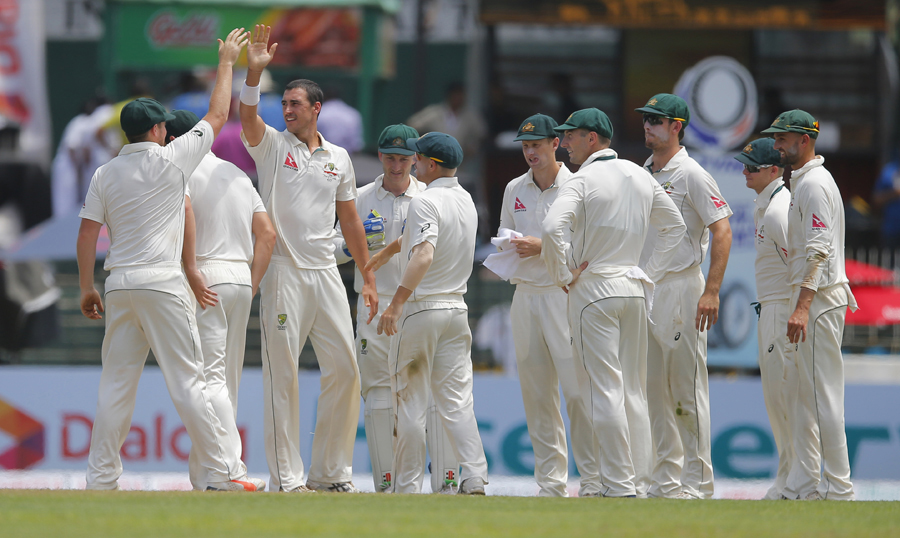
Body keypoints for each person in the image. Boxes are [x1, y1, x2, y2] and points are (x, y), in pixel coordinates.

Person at [76, 29, 265, 492]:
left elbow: (87, 234)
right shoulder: (172, 160)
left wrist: (86, 286)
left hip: (119, 284)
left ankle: (101, 481)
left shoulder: (105, 172)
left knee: (116, 387)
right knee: (190, 383)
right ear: (160, 131)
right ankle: (224, 473)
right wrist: (226, 62)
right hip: (162, 283)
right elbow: (219, 115)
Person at [239, 25, 377, 493]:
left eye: (296, 104)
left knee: (346, 370)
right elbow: (247, 118)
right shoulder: (274, 146)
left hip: (327, 274)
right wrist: (254, 73)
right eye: (285, 104)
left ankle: (330, 474)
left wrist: (369, 275)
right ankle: (288, 478)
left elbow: (352, 222)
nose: (288, 110)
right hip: (283, 273)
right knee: (284, 376)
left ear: (316, 109)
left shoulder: (338, 156)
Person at [542, 109, 685, 498]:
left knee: (603, 389)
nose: (566, 143)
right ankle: (638, 482)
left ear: (593, 139)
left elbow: (552, 228)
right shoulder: (640, 174)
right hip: (632, 288)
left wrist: (563, 275)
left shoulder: (582, 179)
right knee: (633, 391)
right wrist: (646, 271)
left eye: (571, 136)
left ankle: (620, 484)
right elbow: (676, 227)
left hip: (594, 289)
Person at [332, 123, 460, 494]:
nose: (396, 165)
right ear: (380, 157)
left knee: (432, 397)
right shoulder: (358, 198)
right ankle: (387, 488)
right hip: (374, 305)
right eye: (390, 157)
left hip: (418, 305)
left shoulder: (431, 198)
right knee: (379, 397)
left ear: (415, 160)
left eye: (404, 159)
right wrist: (358, 248)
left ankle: (446, 485)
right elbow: (334, 247)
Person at [369, 132, 489, 495]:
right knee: (457, 401)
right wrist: (389, 252)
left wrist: (397, 302)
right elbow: (428, 238)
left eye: (418, 159)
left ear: (432, 164)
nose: (414, 163)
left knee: (410, 401)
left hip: (422, 309)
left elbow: (425, 253)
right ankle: (474, 477)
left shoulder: (424, 201)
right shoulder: (465, 199)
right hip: (456, 308)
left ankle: (406, 488)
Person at [164, 110, 276, 490]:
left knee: (208, 379)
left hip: (204, 276)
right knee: (224, 381)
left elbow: (183, 214)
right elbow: (268, 235)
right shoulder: (239, 174)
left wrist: (192, 269)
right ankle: (208, 477)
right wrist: (252, 281)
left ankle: (232, 470)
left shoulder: (178, 171)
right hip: (240, 278)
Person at [497, 113, 601, 497]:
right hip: (526, 294)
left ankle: (592, 481)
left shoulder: (577, 186)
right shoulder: (514, 189)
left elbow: (588, 247)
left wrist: (544, 247)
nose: (530, 153)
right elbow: (507, 236)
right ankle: (551, 485)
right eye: (525, 146)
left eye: (537, 145)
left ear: (555, 144)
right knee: (537, 394)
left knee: (577, 392)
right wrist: (513, 246)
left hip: (564, 294)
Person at [635, 93, 733, 499]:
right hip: (648, 290)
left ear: (677, 126)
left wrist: (711, 291)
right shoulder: (643, 171)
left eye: (657, 121)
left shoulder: (691, 172)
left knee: (686, 389)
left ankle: (698, 482)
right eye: (645, 119)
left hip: (681, 287)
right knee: (654, 392)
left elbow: (722, 230)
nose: (647, 126)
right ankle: (666, 479)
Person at [763, 109, 857, 501]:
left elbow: (818, 252)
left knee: (822, 396)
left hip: (818, 301)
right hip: (810, 299)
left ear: (804, 140)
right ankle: (808, 486)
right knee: (804, 395)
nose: (777, 145)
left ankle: (839, 489)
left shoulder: (815, 183)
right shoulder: (804, 182)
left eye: (783, 139)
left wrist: (801, 307)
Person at [735, 137, 795, 500]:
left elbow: (799, 266)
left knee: (784, 398)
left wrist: (796, 311)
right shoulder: (767, 205)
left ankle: (794, 482)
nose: (744, 172)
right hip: (770, 308)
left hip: (781, 309)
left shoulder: (777, 210)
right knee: (777, 399)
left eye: (751, 167)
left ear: (774, 170)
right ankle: (791, 477)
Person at [318, 87, 364, 154]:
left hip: (322, 154)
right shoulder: (352, 113)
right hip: (346, 154)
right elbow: (356, 144)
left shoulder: (320, 112)